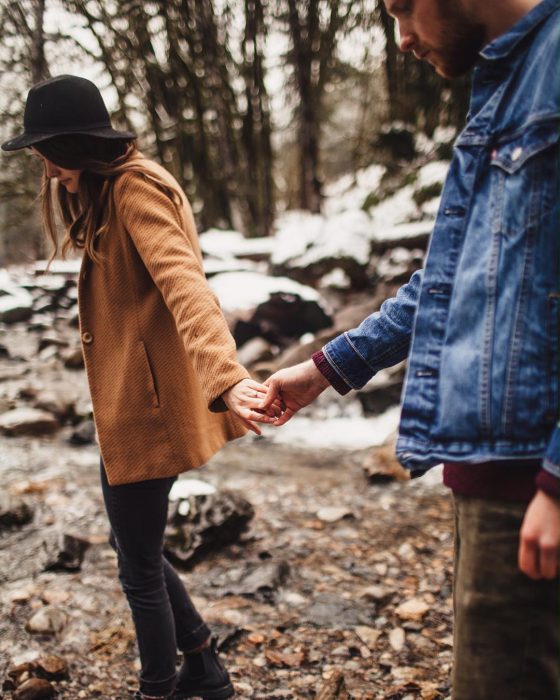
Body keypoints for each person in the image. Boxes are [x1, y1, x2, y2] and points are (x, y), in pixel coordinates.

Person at [261, 1, 560, 698]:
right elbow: (453, 279)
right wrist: (325, 369)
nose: (400, 39)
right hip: (498, 476)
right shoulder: (508, 84)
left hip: (530, 481)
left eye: (403, 8)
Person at [2, 75, 277, 700]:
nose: (45, 172)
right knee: (137, 551)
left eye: (46, 154)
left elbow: (187, 289)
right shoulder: (115, 190)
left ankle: (160, 686)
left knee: (138, 569)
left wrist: (227, 375)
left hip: (147, 412)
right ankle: (203, 665)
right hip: (137, 407)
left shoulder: (133, 191)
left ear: (73, 145)